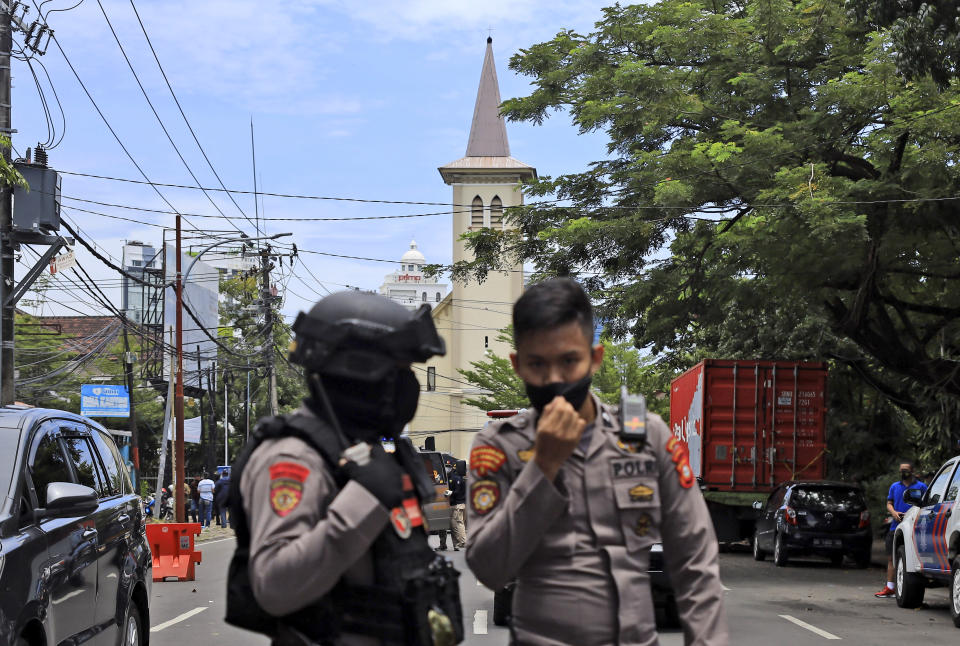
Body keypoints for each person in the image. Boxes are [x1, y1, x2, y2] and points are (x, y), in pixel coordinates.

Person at [466, 278, 728, 646]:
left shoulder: (646, 437)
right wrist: (542, 467)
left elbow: (695, 561)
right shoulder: (498, 446)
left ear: (595, 359)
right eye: (538, 364)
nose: (554, 379)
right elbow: (490, 569)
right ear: (517, 365)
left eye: (569, 361)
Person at [226, 291, 463, 646]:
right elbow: (273, 587)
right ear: (358, 373)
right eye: (400, 371)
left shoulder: (369, 452)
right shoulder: (293, 457)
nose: (408, 386)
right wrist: (362, 502)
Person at [875, 460, 927, 598]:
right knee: (892, 558)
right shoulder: (894, 486)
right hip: (895, 527)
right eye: (901, 470)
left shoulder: (921, 487)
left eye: (906, 470)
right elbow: (889, 503)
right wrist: (894, 513)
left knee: (910, 558)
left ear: (912, 471)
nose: (903, 472)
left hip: (914, 528)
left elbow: (927, 504)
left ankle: (905, 589)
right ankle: (890, 587)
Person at [447, 461, 466, 551]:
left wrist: (451, 493)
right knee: (454, 524)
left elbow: (457, 491)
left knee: (458, 523)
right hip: (456, 504)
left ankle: (463, 542)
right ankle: (457, 544)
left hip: (458, 504)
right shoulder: (456, 477)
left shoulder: (458, 478)